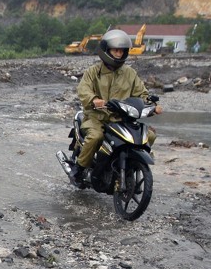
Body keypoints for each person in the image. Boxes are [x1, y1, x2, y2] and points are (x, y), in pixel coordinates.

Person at [69, 29, 161, 172]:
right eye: (116, 50)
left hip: (122, 119)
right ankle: (79, 168)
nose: (119, 54)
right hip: (97, 118)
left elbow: (141, 92)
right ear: (106, 50)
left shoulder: (129, 73)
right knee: (95, 137)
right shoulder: (93, 72)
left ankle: (132, 163)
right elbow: (83, 89)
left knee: (149, 135)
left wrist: (151, 105)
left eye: (122, 51)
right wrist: (94, 99)